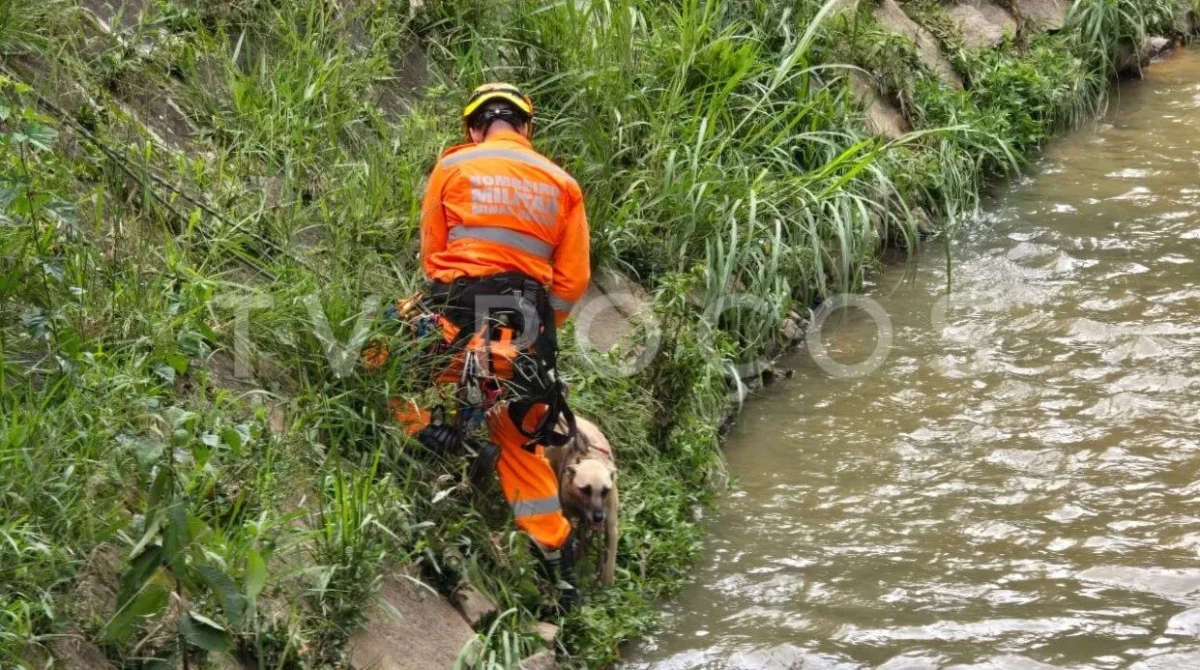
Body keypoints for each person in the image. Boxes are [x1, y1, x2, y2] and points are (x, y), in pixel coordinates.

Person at [418, 83, 591, 608]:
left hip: (454, 324)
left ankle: (427, 432)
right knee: (521, 440)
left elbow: (433, 258)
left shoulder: (453, 166)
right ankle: (560, 571)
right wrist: (536, 329)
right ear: (526, 128)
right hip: (524, 334)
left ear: (474, 129)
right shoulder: (562, 184)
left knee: (375, 353)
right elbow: (573, 282)